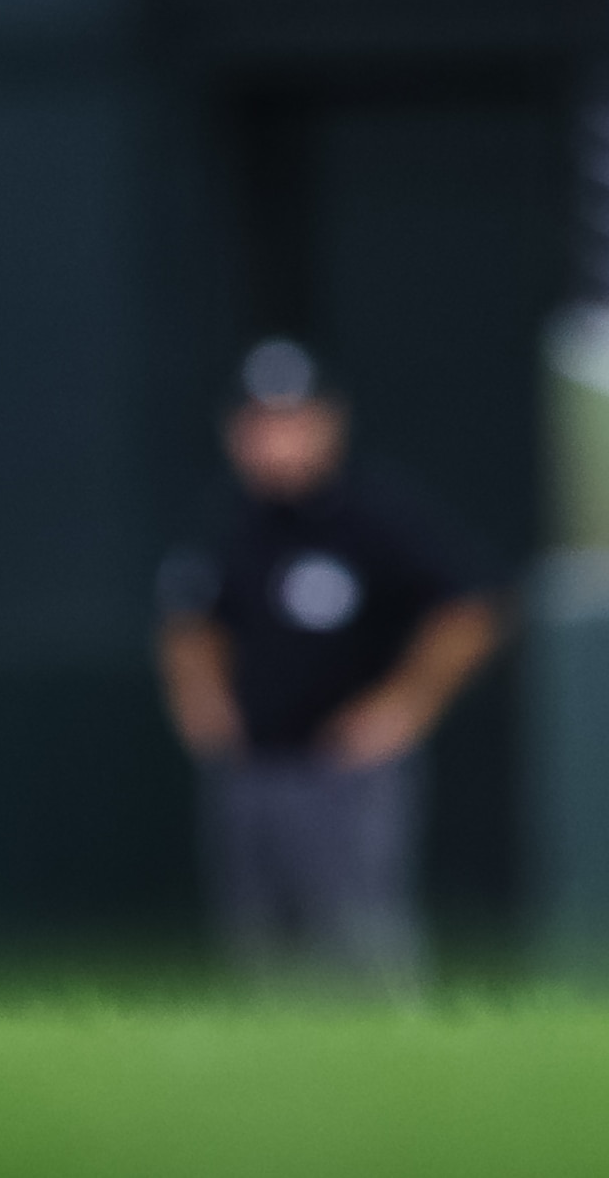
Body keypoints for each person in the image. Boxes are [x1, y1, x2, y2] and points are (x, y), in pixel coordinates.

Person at [156, 338, 505, 984]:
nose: (277, 441)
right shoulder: (228, 519)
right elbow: (189, 616)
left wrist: (402, 707)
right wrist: (200, 699)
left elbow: (469, 610)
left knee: (361, 944)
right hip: (253, 768)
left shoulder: (374, 514)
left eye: (293, 421)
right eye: (260, 424)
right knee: (259, 953)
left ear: (328, 424)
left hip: (345, 775)